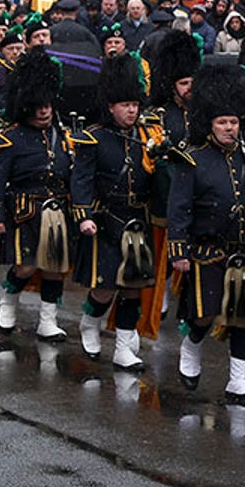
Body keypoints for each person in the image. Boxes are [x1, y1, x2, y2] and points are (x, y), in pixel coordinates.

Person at [167, 60, 245, 402]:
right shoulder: (192, 158)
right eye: (222, 122)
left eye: (233, 121)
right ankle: (191, 346)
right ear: (209, 124)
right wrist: (178, 251)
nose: (229, 128)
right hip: (208, 248)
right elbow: (179, 207)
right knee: (204, 314)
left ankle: (238, 381)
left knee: (242, 318)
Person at [70, 54, 158, 370]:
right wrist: (84, 216)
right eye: (124, 105)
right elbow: (80, 179)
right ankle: (90, 322)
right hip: (106, 220)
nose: (132, 110)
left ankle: (123, 348)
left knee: (132, 289)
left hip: (137, 220)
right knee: (106, 287)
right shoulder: (93, 137)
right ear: (111, 106)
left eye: (135, 104)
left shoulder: (149, 137)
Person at [0, 52, 78, 340]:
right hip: (25, 209)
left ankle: (47, 320)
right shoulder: (9, 137)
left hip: (58, 208)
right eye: (37, 107)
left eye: (47, 105)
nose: (44, 112)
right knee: (25, 265)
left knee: (54, 267)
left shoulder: (63, 134)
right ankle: (8, 302)